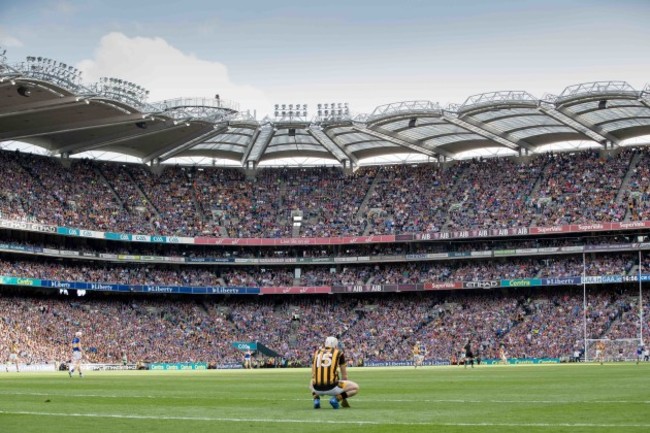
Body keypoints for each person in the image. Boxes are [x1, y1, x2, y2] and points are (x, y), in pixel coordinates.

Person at [310, 336, 359, 409]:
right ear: (335, 345)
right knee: (355, 388)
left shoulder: (316, 353)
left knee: (312, 381)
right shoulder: (339, 353)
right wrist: (343, 396)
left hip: (316, 388)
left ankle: (316, 399)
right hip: (332, 387)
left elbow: (313, 373)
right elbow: (344, 376)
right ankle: (335, 399)